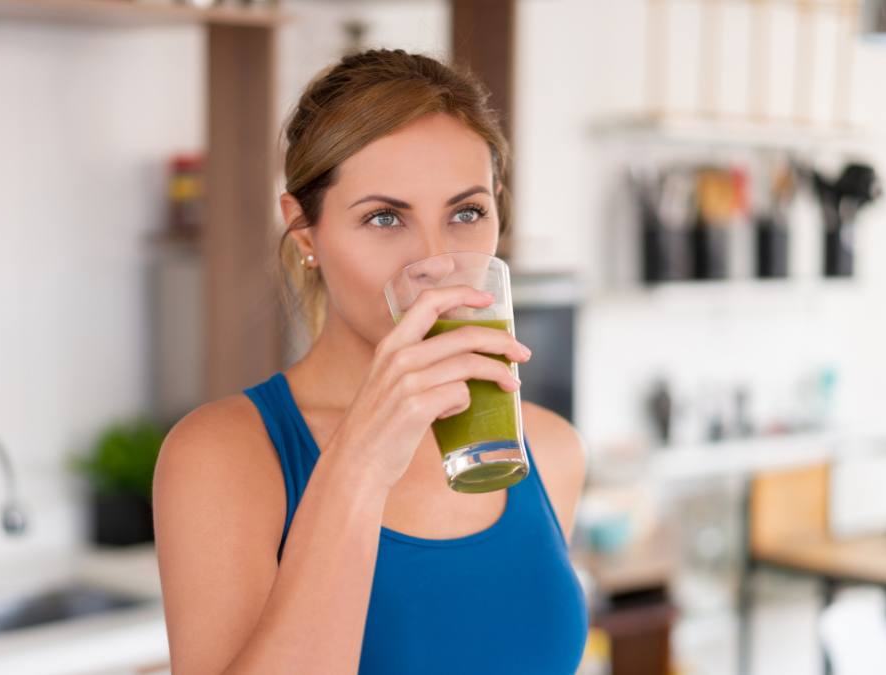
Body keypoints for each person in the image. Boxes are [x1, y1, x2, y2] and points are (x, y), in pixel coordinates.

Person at [153, 48, 589, 675]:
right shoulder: (223, 458)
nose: (437, 261)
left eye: (466, 212)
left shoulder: (550, 449)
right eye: (385, 218)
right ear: (305, 231)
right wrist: (359, 466)